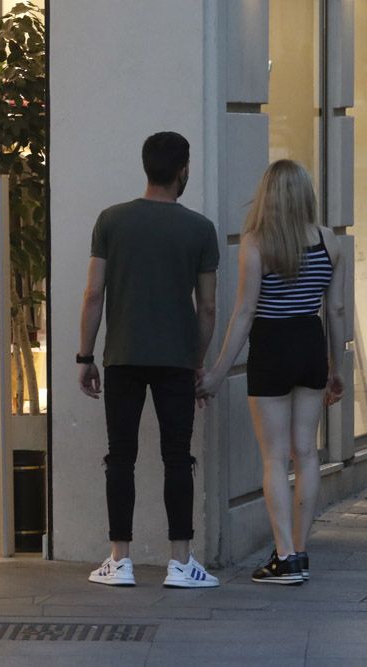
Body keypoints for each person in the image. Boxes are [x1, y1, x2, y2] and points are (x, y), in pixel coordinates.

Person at [78, 131, 220, 588]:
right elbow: (209, 306)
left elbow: (93, 293)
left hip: (121, 355)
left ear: (145, 167)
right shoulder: (199, 229)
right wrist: (198, 361)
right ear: (184, 170)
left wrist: (85, 355)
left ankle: (119, 559)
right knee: (177, 457)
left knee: (121, 456)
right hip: (177, 358)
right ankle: (181, 561)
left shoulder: (111, 221)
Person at [197, 160, 344, 585]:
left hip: (272, 348)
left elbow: (243, 313)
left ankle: (284, 558)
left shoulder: (256, 242)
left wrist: (217, 374)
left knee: (275, 458)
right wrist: (336, 366)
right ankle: (300, 550)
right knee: (308, 453)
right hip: (310, 344)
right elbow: (335, 310)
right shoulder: (328, 241)